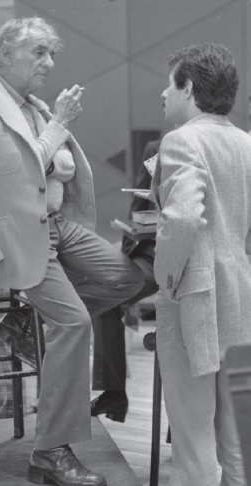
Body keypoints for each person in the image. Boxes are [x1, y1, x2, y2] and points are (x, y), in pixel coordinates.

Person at [0, 17, 144, 486]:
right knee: (75, 323)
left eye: (51, 54)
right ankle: (49, 454)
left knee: (131, 278)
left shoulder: (36, 107)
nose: (49, 62)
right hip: (15, 237)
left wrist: (53, 124)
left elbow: (58, 172)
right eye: (38, 52)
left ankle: (22, 324)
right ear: (3, 56)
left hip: (59, 228)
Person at [152, 43, 251, 486]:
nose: (162, 93)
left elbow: (184, 217)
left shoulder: (182, 140)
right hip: (240, 296)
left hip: (193, 298)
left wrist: (165, 278)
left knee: (193, 444)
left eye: (169, 83)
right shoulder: (246, 144)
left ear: (188, 87)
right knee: (236, 443)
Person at [91, 140, 160, 422]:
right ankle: (114, 392)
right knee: (102, 292)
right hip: (147, 252)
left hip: (181, 259)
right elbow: (140, 211)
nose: (165, 94)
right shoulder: (155, 148)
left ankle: (114, 394)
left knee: (102, 294)